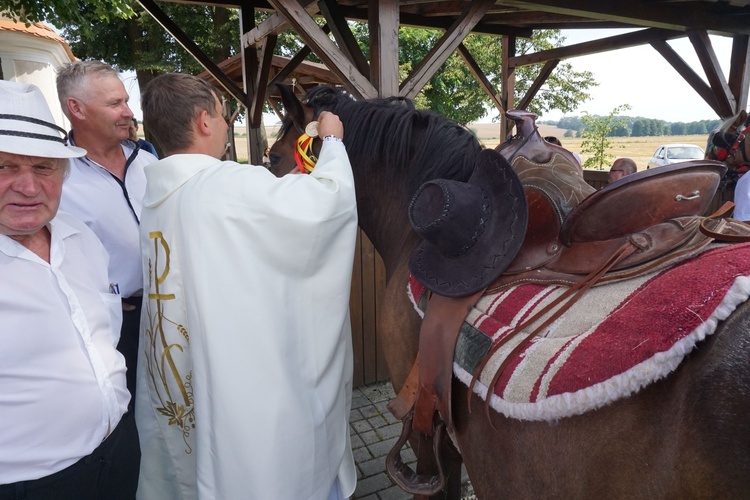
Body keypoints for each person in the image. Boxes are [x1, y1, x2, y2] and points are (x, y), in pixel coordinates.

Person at [136, 73, 358, 499]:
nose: (223, 125)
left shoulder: (158, 199)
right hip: (247, 398)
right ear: (204, 121)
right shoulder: (225, 185)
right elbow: (326, 205)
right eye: (223, 115)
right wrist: (332, 143)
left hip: (190, 378)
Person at [0, 80, 139, 498]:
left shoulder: (80, 237)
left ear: (63, 173)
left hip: (117, 452)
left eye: (43, 167)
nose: (28, 186)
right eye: (5, 166)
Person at [56, 60, 158, 402]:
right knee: (127, 419)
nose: (128, 112)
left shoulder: (150, 163)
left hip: (173, 314)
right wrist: (99, 297)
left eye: (126, 102)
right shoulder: (58, 178)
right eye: (115, 104)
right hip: (115, 328)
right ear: (76, 109)